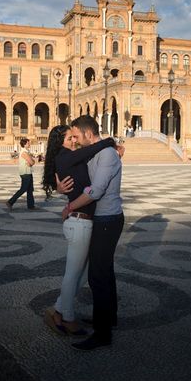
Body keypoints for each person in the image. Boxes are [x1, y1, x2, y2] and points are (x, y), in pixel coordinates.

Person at [41, 125, 117, 337]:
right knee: (74, 274)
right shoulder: (65, 157)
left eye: (74, 137)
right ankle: (67, 318)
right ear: (60, 142)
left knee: (82, 274)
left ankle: (58, 309)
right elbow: (90, 150)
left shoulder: (68, 157)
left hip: (82, 222)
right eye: (69, 138)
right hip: (79, 223)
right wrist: (109, 141)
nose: (74, 141)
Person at [57, 115, 124, 351]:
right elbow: (75, 178)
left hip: (108, 220)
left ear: (87, 133)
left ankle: (102, 334)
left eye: (76, 135)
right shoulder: (96, 152)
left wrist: (69, 207)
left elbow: (95, 191)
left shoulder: (106, 155)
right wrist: (59, 187)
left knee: (97, 276)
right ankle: (108, 318)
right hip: (101, 219)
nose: (74, 140)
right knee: (105, 272)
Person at [6, 138, 36, 210]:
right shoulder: (24, 152)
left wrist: (31, 162)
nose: (30, 144)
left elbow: (33, 162)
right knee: (23, 189)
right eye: (28, 143)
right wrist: (31, 161)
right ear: (25, 144)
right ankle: (10, 202)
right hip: (25, 173)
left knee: (30, 189)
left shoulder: (26, 151)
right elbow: (32, 162)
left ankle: (31, 206)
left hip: (28, 172)